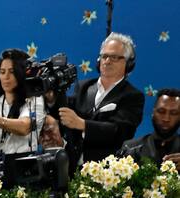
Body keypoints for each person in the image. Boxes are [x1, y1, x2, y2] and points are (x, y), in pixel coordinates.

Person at [59, 32, 144, 170]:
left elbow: (119, 131)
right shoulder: (83, 86)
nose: (107, 61)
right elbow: (65, 119)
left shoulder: (133, 96)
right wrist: (52, 99)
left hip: (106, 173)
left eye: (115, 57)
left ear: (128, 64)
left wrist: (82, 124)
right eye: (104, 56)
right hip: (72, 167)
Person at [120, 88, 180, 168]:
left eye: (173, 113)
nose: (166, 118)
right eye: (161, 111)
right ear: (153, 113)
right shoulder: (130, 148)